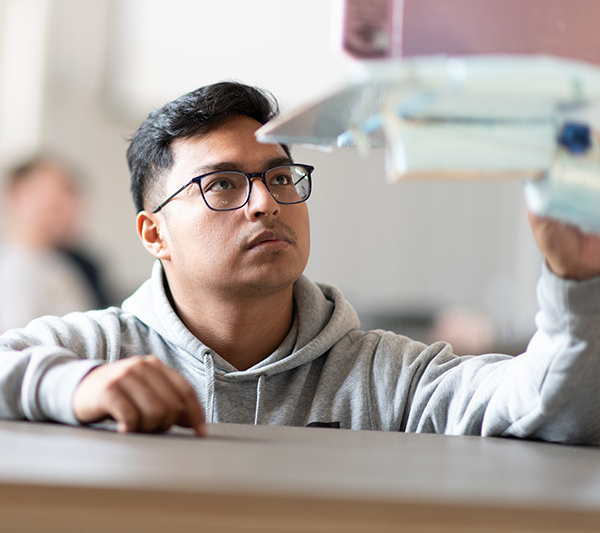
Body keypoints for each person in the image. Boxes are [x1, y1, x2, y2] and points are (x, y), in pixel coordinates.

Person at [0, 81, 599, 443]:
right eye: (224, 185)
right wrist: (70, 386)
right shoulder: (101, 353)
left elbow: (548, 409)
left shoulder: (386, 378)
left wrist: (578, 283)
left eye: (279, 176)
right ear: (154, 233)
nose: (264, 201)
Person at [0, 157, 108, 333]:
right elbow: (15, 352)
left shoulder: (68, 262)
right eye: (55, 203)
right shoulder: (12, 269)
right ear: (18, 196)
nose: (69, 210)